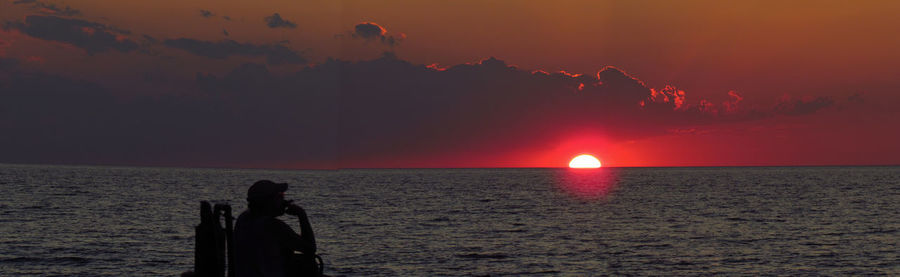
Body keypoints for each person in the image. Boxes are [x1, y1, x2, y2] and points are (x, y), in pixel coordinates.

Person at [234, 180, 317, 277]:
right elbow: (310, 248)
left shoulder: (243, 219)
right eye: (280, 196)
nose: (284, 201)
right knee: (310, 263)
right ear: (269, 201)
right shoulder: (273, 226)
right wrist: (302, 215)